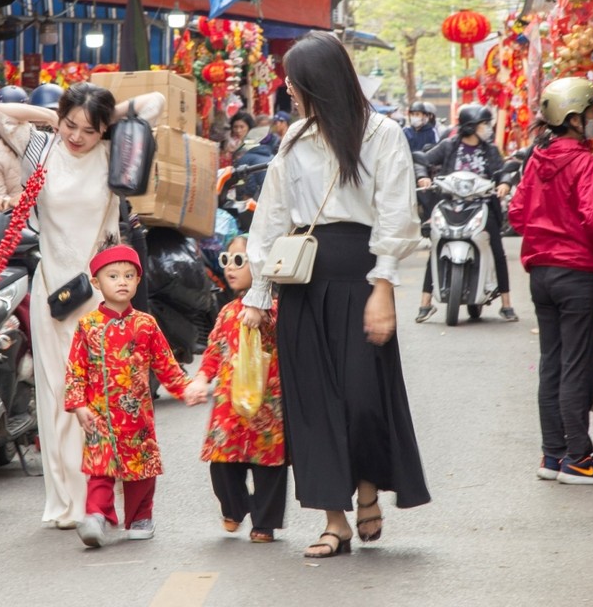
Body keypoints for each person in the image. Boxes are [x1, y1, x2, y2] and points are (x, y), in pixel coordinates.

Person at [241, 31, 429, 559]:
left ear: (319, 84)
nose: (287, 91)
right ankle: (334, 520)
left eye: (294, 82)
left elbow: (396, 212)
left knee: (365, 398)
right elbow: (273, 216)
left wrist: (384, 287)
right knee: (312, 405)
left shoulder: (382, 134)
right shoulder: (294, 139)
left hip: (360, 273)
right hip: (304, 279)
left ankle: (368, 488)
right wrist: (259, 293)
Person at [0, 82, 165, 529]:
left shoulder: (114, 152)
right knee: (58, 398)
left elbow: (155, 102)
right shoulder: (42, 147)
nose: (77, 136)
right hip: (55, 294)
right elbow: (0, 115)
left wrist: (104, 115)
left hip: (102, 299)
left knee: (103, 397)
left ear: (103, 129)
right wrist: (51, 117)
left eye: (88, 129)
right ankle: (69, 499)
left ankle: (98, 495)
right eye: (71, 125)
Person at [507, 77, 593, 483]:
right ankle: (579, 459)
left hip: (542, 275)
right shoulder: (582, 162)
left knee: (552, 364)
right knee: (576, 366)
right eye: (592, 113)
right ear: (573, 117)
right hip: (576, 274)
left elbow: (516, 214)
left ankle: (553, 455)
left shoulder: (537, 159)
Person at [65, 244, 196, 547]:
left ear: (138, 281)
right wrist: (78, 405)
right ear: (96, 283)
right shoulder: (88, 326)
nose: (121, 281)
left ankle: (140, 517)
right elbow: (76, 369)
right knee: (100, 469)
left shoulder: (146, 324)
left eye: (128, 275)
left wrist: (185, 388)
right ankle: (96, 516)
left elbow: (166, 364)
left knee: (141, 470)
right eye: (113, 276)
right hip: (99, 416)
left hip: (138, 417)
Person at [184, 234, 287, 543]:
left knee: (269, 465)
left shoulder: (275, 311)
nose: (230, 268)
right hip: (229, 406)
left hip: (267, 404)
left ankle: (264, 523)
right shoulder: (227, 311)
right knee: (221, 462)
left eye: (240, 261)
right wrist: (201, 379)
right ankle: (235, 507)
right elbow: (214, 350)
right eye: (227, 260)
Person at [413, 104, 517, 322]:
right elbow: (423, 159)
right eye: (484, 124)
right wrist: (423, 175)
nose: (488, 128)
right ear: (471, 126)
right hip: (450, 205)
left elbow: (502, 172)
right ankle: (425, 303)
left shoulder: (490, 150)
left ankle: (506, 304)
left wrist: (505, 183)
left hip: (483, 206)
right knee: (437, 245)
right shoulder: (449, 146)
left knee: (498, 250)